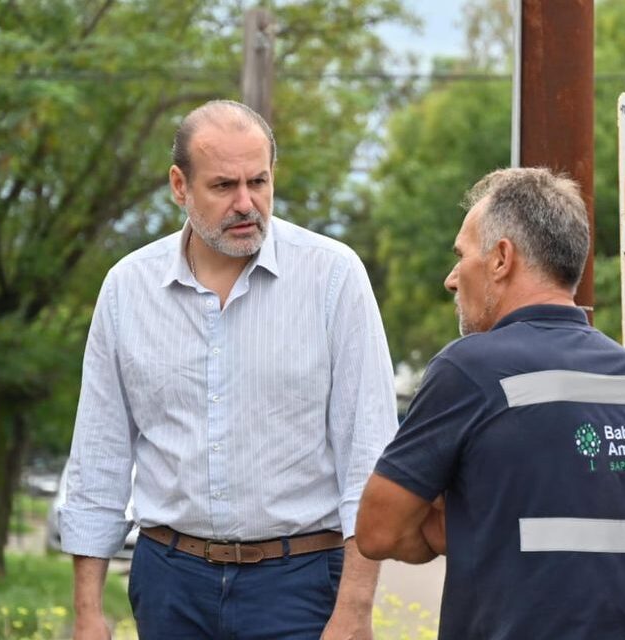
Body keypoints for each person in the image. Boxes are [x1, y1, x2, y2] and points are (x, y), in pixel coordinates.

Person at [60, 100, 398, 640]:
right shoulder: (127, 288)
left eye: (258, 181)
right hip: (168, 582)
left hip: (301, 583)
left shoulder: (334, 278)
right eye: (223, 186)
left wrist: (355, 608)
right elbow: (98, 456)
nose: (247, 204)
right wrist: (87, 613)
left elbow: (369, 454)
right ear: (179, 185)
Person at [354, 167, 625, 639]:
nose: (452, 279)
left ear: (501, 259)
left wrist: (451, 521)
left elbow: (377, 531)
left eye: (462, 255)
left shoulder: (470, 369)